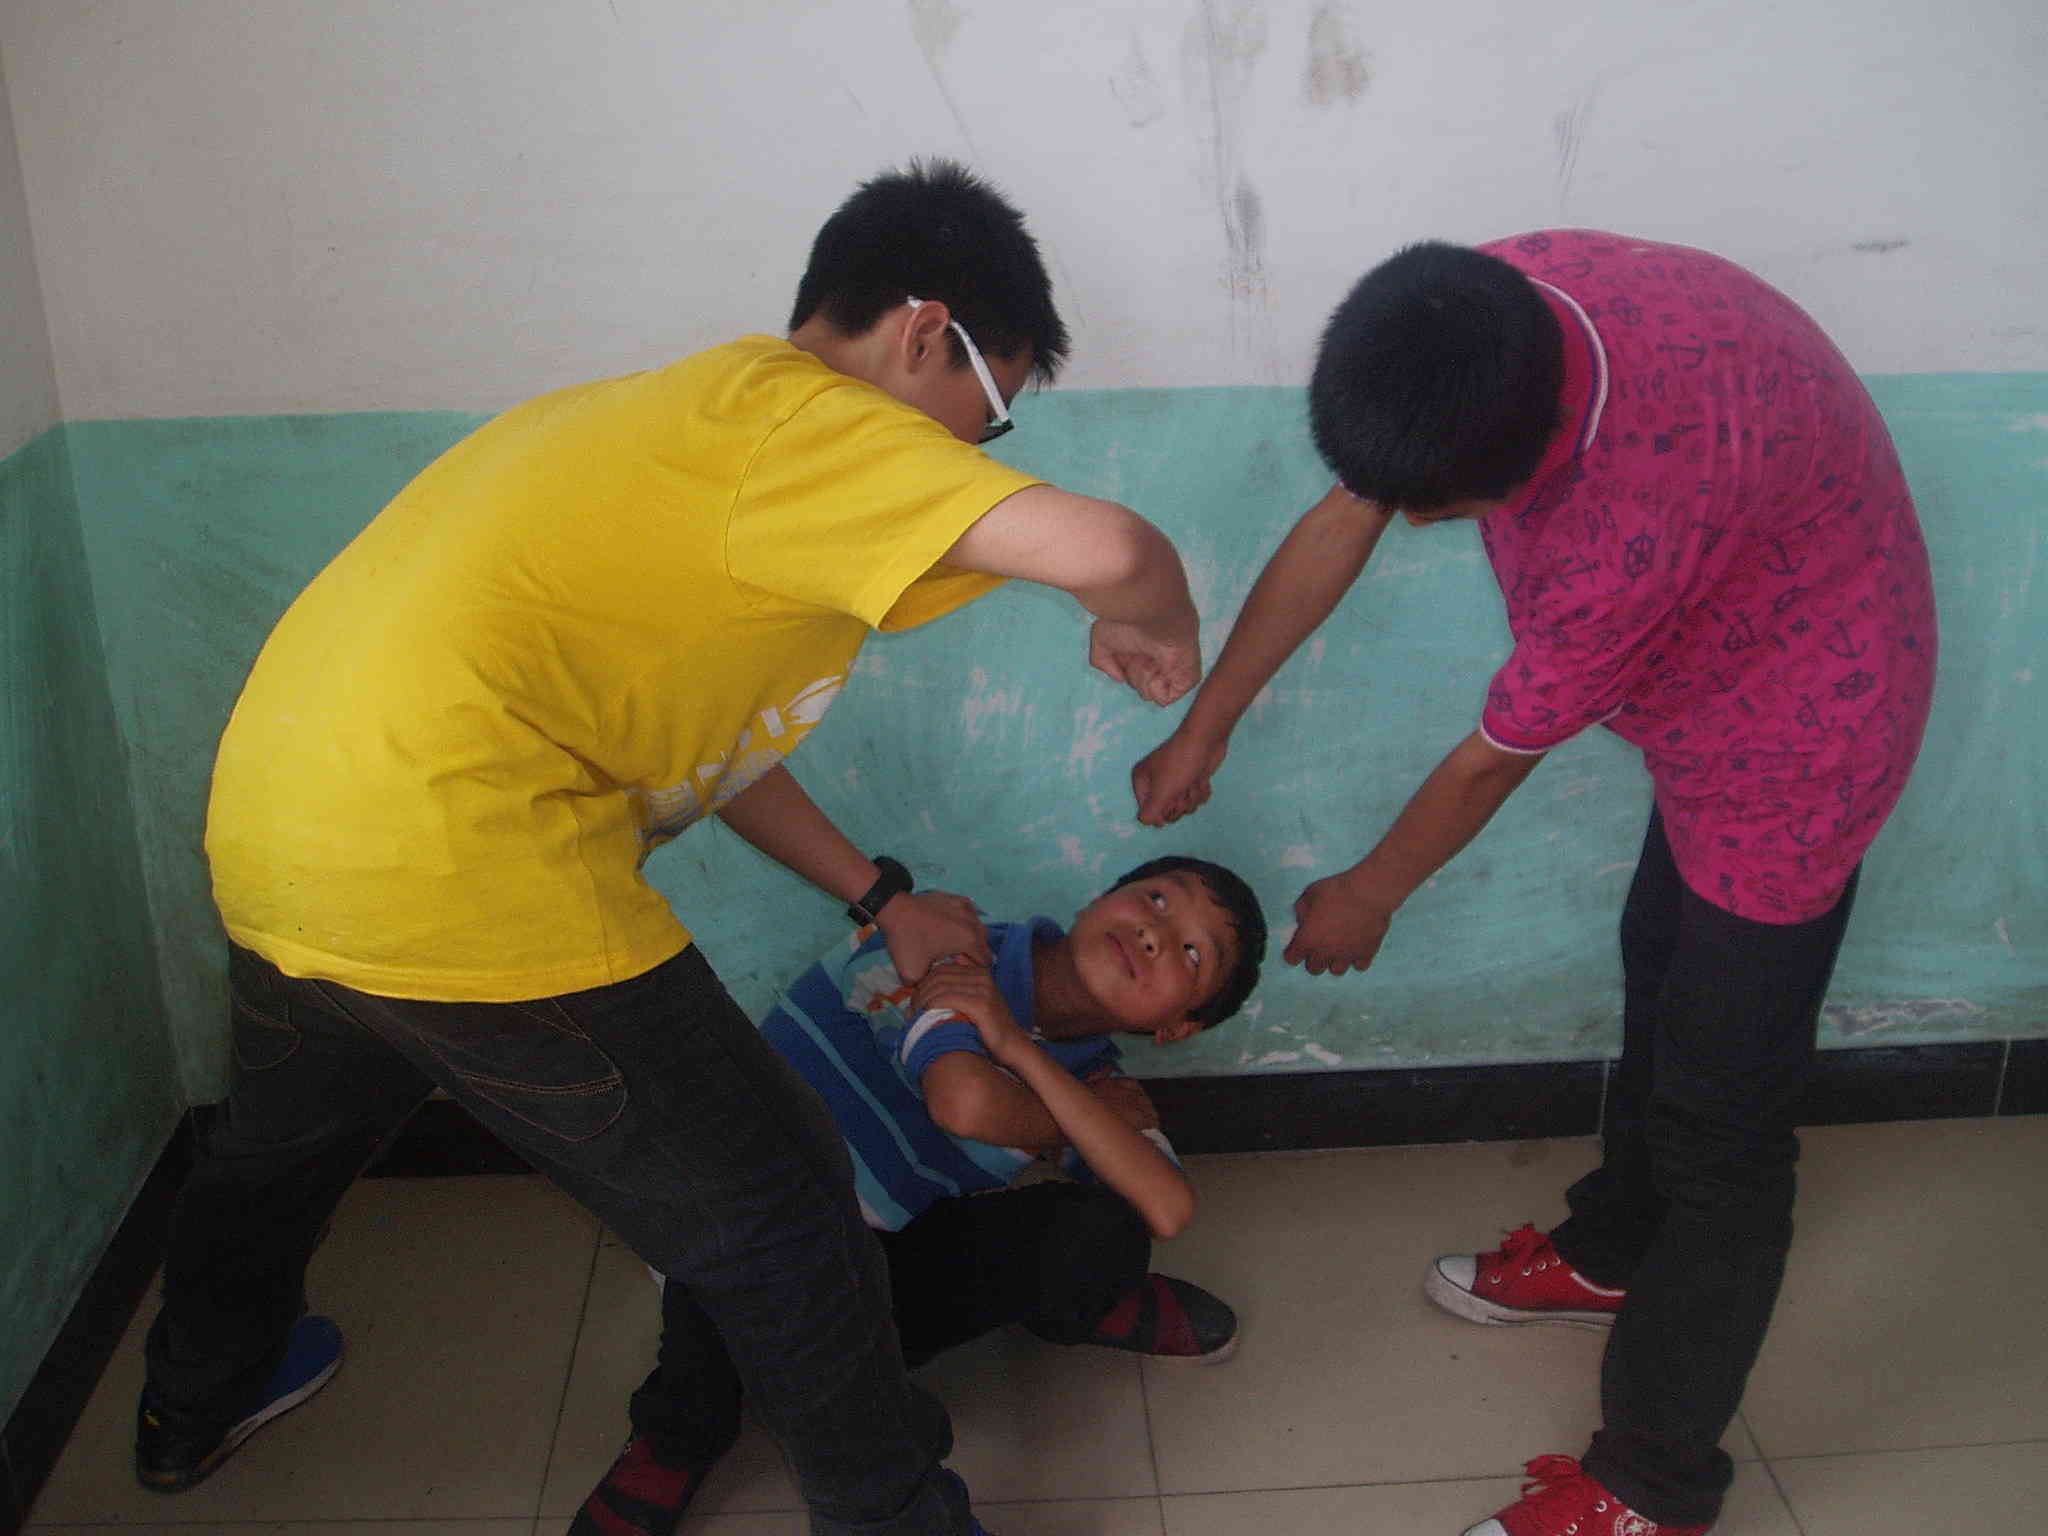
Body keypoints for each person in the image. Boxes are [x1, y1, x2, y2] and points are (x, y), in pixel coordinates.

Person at [137, 159, 1205, 1536]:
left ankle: (198, 1394)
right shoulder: (809, 422)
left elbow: (715, 752)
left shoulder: (665, 423)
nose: (973, 452)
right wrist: (1158, 622)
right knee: (787, 1208)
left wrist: (876, 895)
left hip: (284, 835)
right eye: (990, 412)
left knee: (280, 1145)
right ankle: (895, 1512)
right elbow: (1115, 548)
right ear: (921, 333)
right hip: (462, 862)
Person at [1131, 231, 1937, 1536]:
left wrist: (1369, 894)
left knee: (1725, 1130)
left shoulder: (1621, 535)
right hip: (1726, 668)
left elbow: (1486, 765)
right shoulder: (1481, 311)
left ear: (1520, 469)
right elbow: (1354, 507)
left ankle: (1654, 1488)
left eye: (1437, 511)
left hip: (1803, 741)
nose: (1414, 522)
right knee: (1658, 965)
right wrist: (1207, 725)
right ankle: (1617, 1251)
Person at [575, 854, 1267, 1536]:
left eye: (1192, 953)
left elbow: (1167, 1208)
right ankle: (679, 1437)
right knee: (743, 1260)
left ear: (1176, 1028)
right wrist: (1082, 1121)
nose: (1154, 934)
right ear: (1101, 898)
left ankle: (1062, 1314)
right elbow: (963, 1102)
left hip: (868, 1267)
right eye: (1156, 899)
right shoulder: (941, 944)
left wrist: (1018, 1052)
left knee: (1104, 1230)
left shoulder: (1096, 1079)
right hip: (744, 1227)